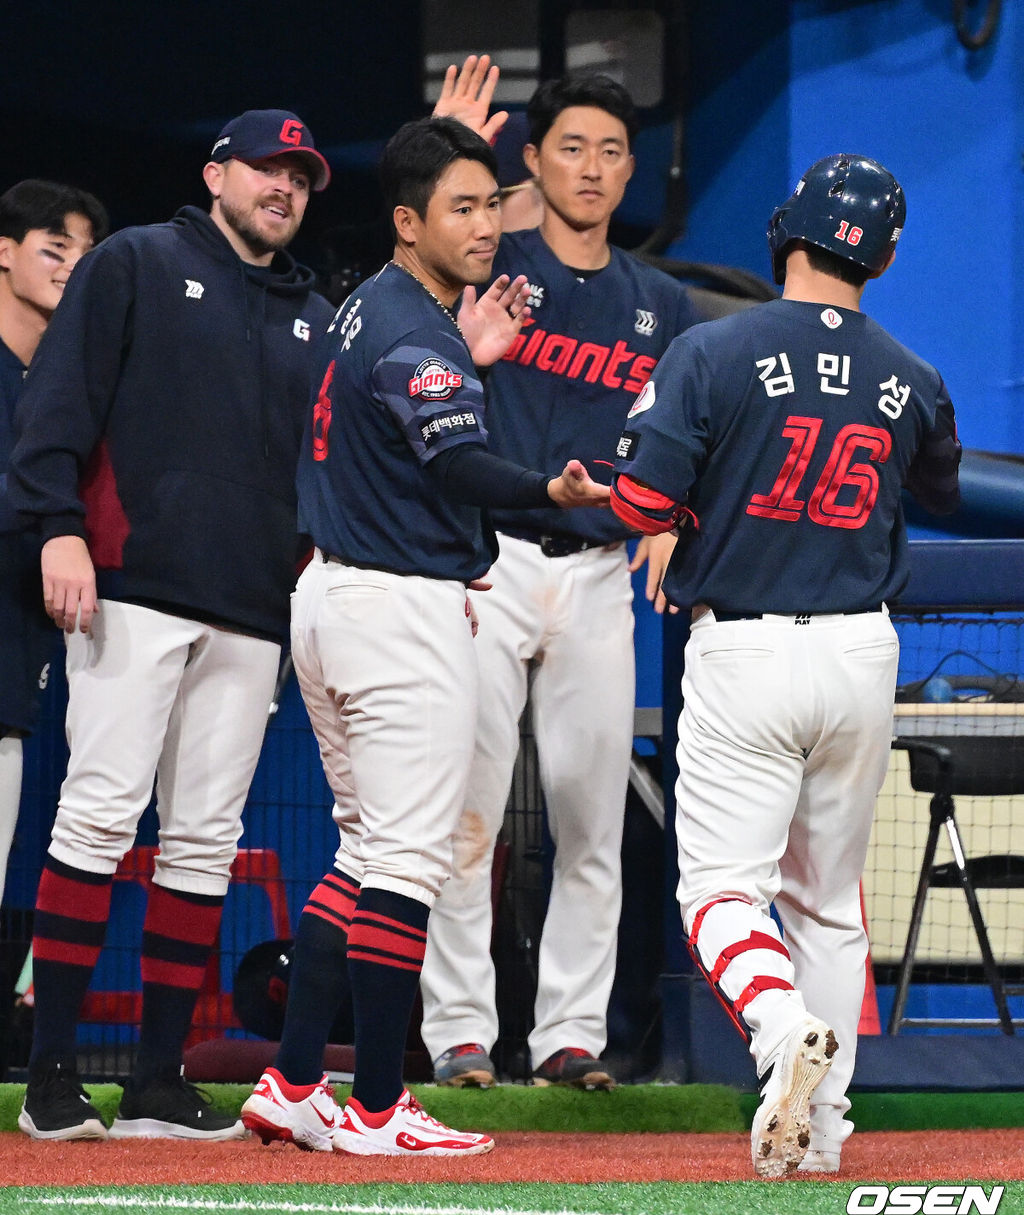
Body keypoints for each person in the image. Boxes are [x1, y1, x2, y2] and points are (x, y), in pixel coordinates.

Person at [239, 115, 610, 1156]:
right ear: (408, 222)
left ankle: (294, 1081)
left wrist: (470, 357)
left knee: (365, 849)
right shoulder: (415, 330)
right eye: (461, 208)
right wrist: (547, 489)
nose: (486, 225)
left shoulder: (373, 305)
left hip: (335, 598)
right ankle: (374, 1107)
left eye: (491, 203)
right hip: (396, 613)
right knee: (409, 859)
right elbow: (457, 466)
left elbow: (405, 440)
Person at [609, 154, 960, 1176]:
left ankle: (777, 1029)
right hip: (860, 650)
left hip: (746, 644)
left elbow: (639, 502)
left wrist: (673, 506)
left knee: (722, 891)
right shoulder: (914, 373)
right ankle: (824, 1133)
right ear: (883, 257)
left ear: (785, 231)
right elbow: (938, 490)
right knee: (829, 902)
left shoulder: (711, 349)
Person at [8, 110, 335, 1141]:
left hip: (251, 608)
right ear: (216, 174)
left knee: (202, 843)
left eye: (300, 177)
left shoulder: (315, 316)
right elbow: (56, 401)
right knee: (98, 818)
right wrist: (58, 527)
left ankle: (156, 1078)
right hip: (131, 584)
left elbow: (325, 467)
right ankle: (50, 1076)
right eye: (267, 169)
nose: (283, 188)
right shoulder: (138, 261)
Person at [420, 70, 699, 1091]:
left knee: (591, 818)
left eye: (611, 151)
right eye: (571, 148)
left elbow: (688, 441)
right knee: (467, 812)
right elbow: (403, 316)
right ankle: (459, 1034)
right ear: (531, 162)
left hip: (595, 575)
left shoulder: (661, 303)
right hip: (487, 560)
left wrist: (670, 514)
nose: (591, 168)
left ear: (630, 170)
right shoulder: (491, 262)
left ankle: (568, 1037)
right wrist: (443, 152)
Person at [0, 180, 108, 910]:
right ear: (4, 252)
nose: (73, 267)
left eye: (86, 254)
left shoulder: (72, 389)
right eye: (55, 248)